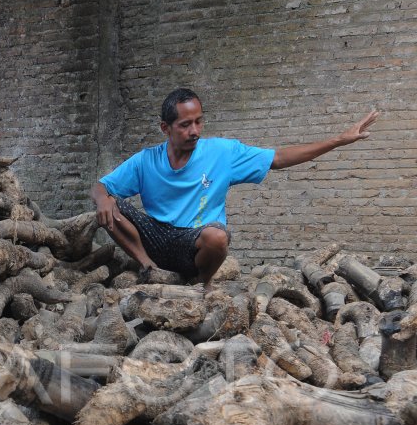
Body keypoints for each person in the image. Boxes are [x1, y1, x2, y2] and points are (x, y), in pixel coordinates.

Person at [91, 88, 379, 287]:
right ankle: (148, 269)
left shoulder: (222, 153)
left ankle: (202, 284)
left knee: (217, 237)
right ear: (165, 128)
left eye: (199, 121)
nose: (194, 130)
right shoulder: (146, 160)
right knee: (109, 206)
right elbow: (101, 186)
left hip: (192, 241)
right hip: (155, 237)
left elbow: (277, 157)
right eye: (185, 124)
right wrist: (103, 198)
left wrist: (338, 140)